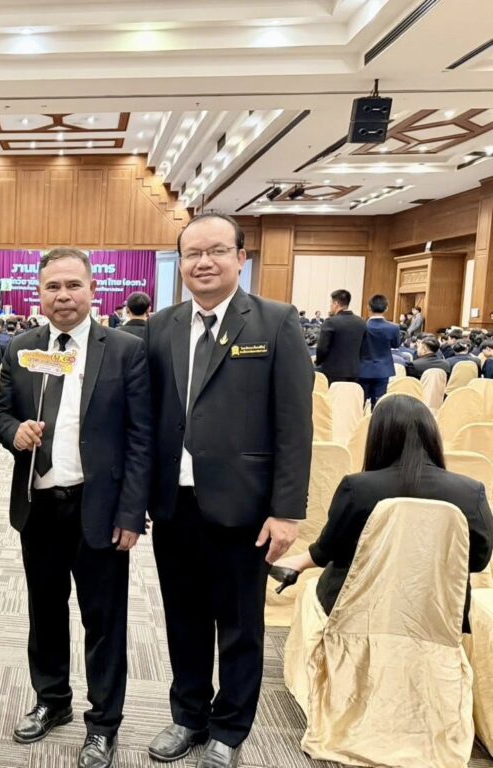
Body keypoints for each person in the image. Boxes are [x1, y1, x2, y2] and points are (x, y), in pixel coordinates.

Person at [144, 213, 312, 768]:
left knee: (240, 626)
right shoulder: (162, 326)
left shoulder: (275, 322)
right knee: (183, 618)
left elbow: (294, 425)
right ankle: (188, 716)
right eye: (192, 253)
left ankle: (230, 729)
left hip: (246, 507)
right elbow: (151, 415)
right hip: (174, 504)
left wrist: (286, 511)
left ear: (241, 257)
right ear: (180, 264)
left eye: (217, 250)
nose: (204, 262)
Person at [0, 248, 151, 768]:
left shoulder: (125, 350)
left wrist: (131, 513)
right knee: (45, 611)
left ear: (92, 291)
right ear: (39, 293)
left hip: (98, 507)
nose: (63, 296)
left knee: (103, 621)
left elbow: (140, 438)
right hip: (39, 506)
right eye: (53, 287)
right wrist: (15, 432)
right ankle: (52, 699)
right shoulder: (22, 346)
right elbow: (1, 412)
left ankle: (103, 723)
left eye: (73, 286)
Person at [274, 395, 492, 632]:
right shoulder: (472, 492)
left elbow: (330, 549)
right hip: (438, 617)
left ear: (378, 437)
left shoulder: (357, 488)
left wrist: (298, 562)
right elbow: (478, 561)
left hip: (357, 615)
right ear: (432, 436)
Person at [314, 290, 366, 384]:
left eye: (331, 303)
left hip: (333, 371)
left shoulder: (330, 322)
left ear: (336, 304)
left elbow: (321, 348)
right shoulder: (361, 322)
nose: (330, 306)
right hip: (355, 371)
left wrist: (318, 362)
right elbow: (364, 347)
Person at [359, 294, 401, 407]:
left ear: (368, 307)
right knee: (379, 404)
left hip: (363, 369)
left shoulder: (361, 326)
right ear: (386, 308)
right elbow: (396, 344)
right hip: (383, 369)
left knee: (360, 402)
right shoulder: (394, 327)